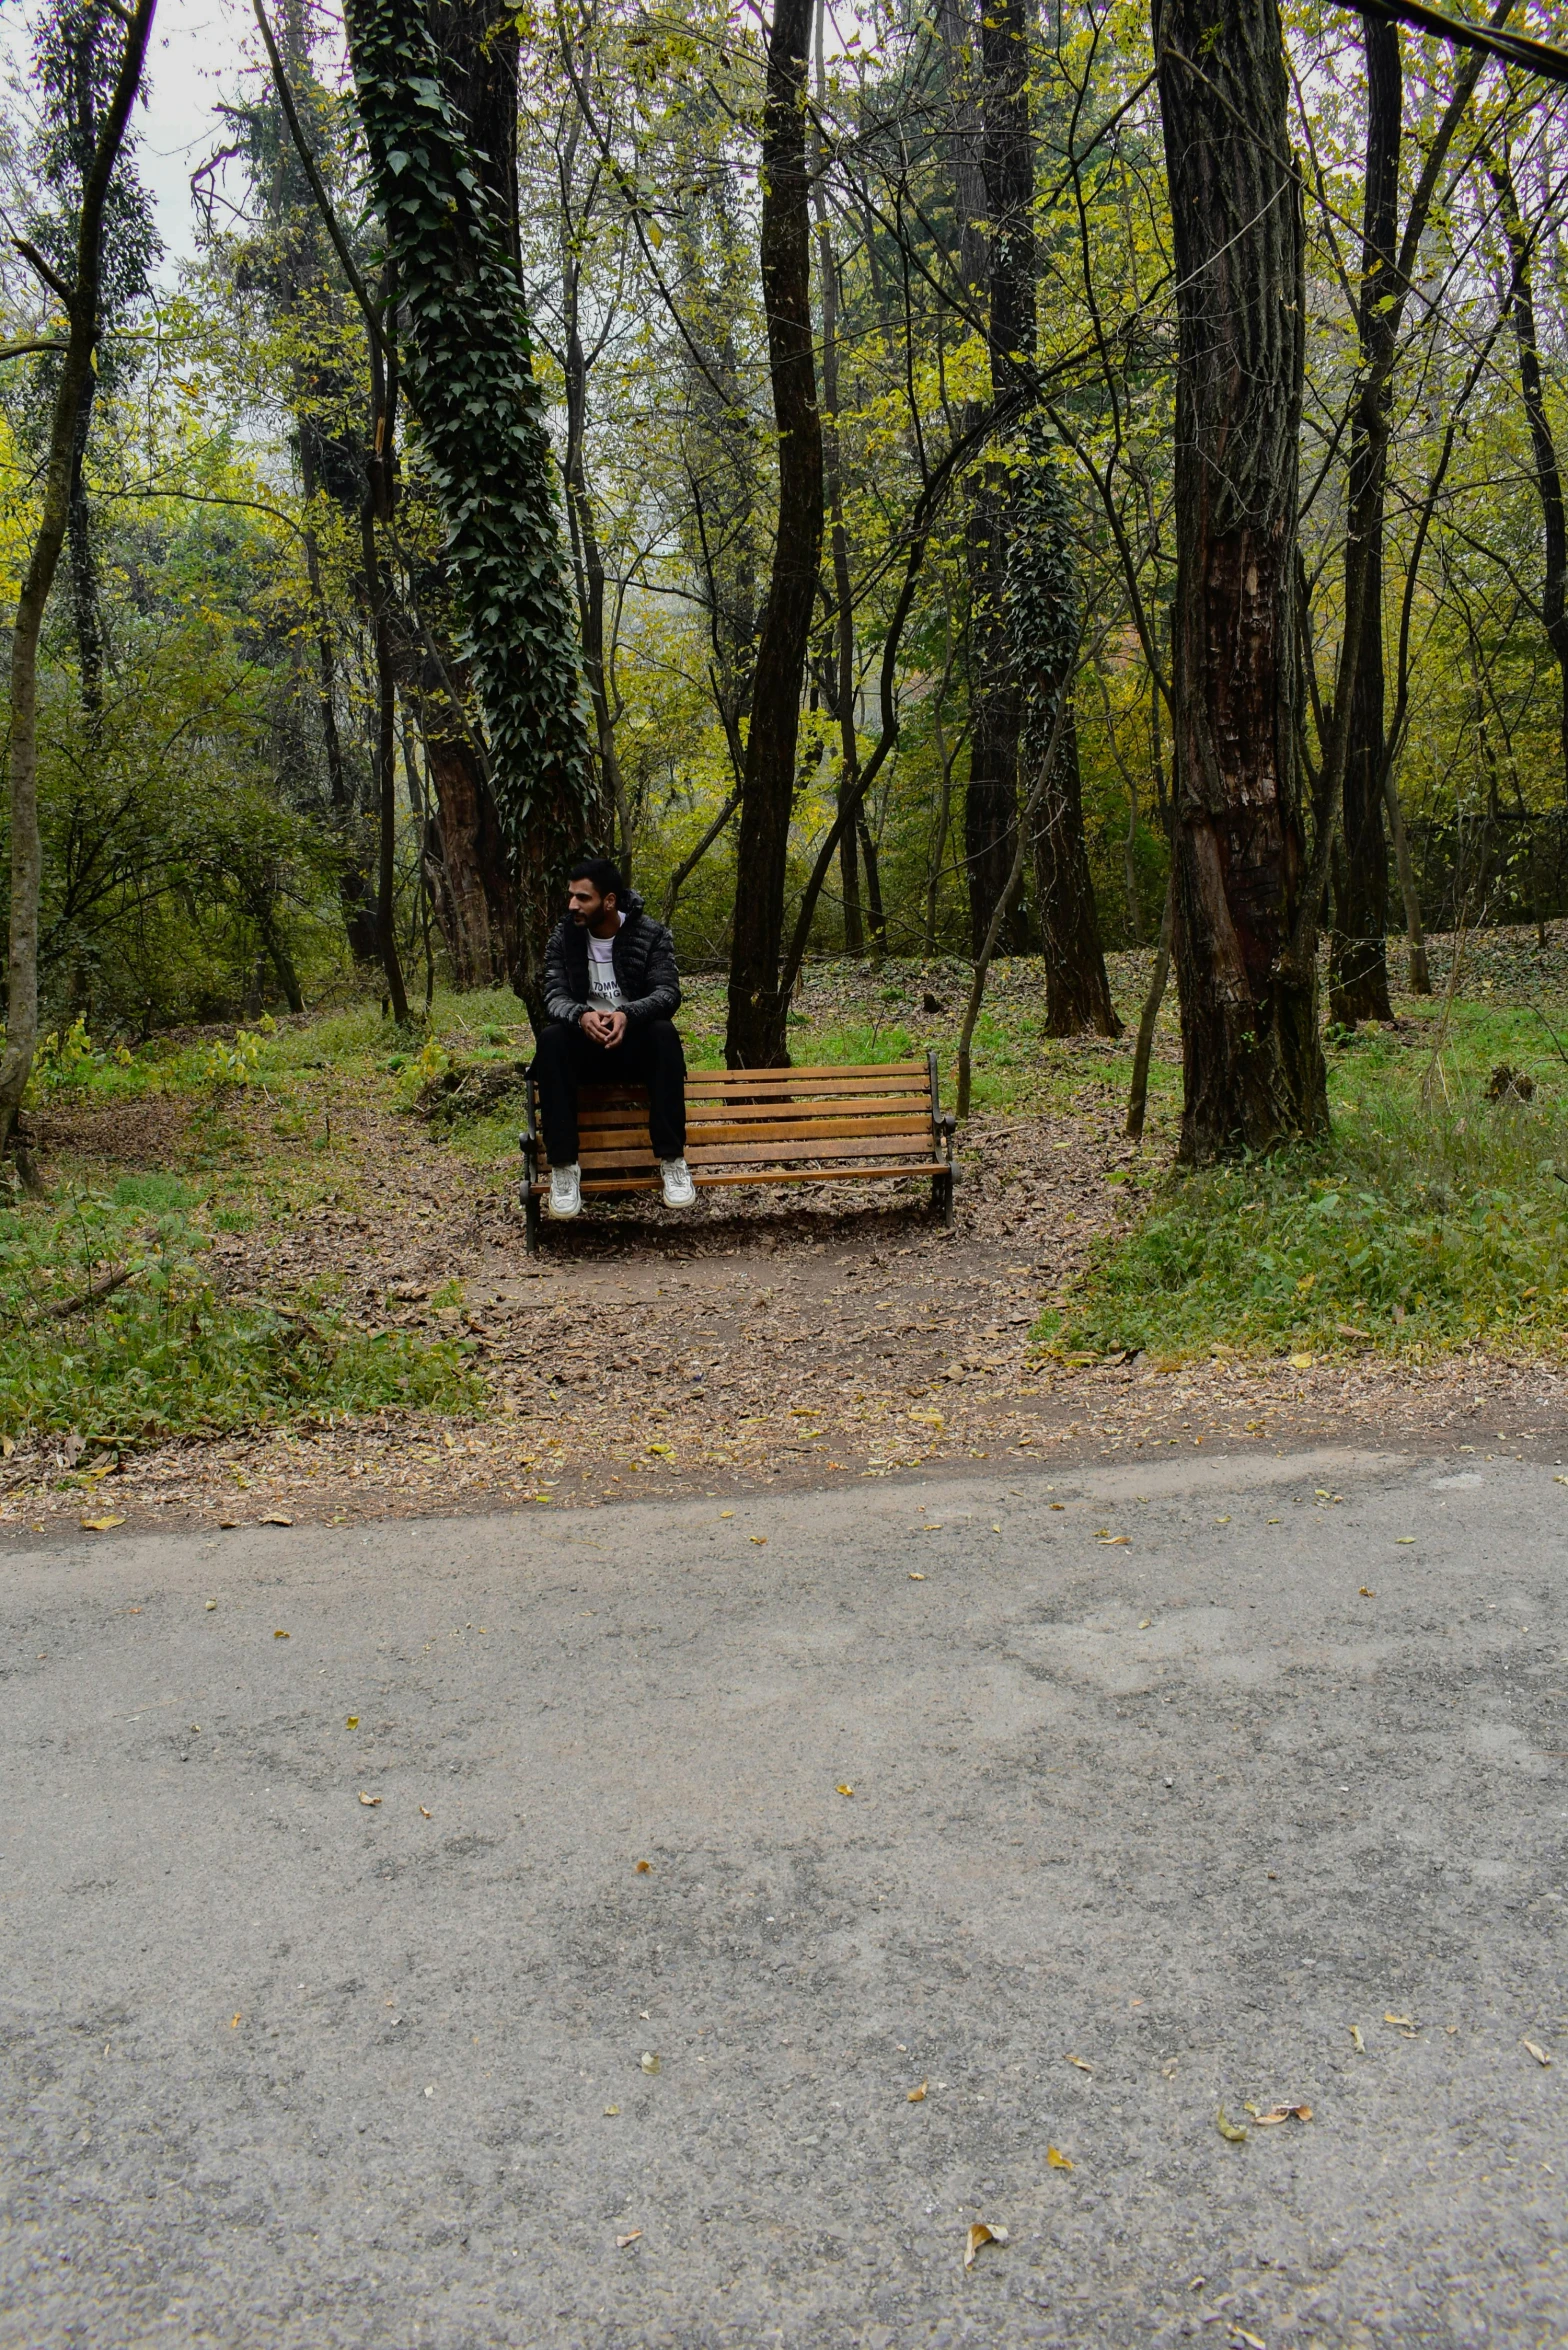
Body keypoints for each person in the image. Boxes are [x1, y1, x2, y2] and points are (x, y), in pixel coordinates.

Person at [534, 857, 696, 1219]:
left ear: (609, 901)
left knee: (664, 1033)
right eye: (571, 897)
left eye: (583, 898)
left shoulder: (650, 934)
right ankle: (563, 1169)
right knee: (551, 1039)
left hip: (634, 1046)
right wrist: (581, 1015)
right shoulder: (565, 936)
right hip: (584, 1047)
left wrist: (628, 1014)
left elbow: (667, 993)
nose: (573, 905)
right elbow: (553, 995)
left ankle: (672, 1161)